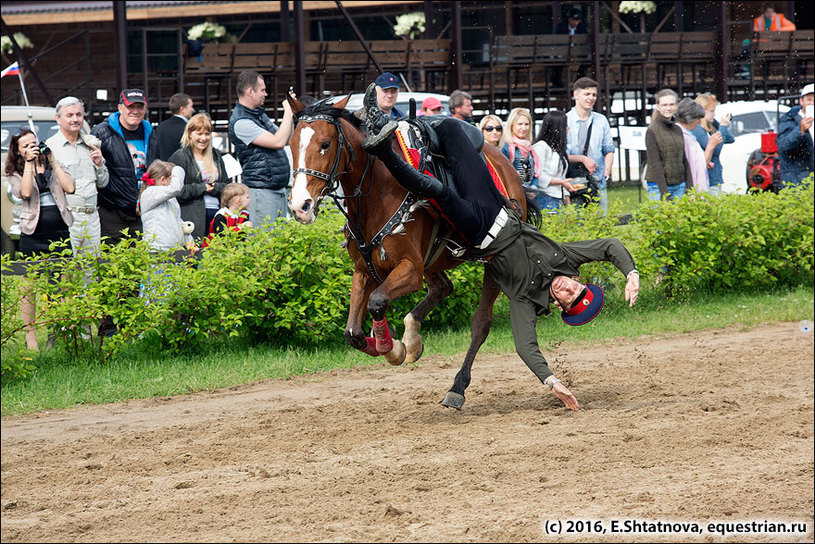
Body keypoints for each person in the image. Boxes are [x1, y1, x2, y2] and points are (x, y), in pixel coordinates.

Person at [360, 84, 640, 410]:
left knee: (440, 193)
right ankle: (387, 122)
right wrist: (630, 273)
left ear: (561, 305)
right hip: (495, 207)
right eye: (577, 288)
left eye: (569, 298)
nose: (568, 289)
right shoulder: (565, 259)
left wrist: (553, 382)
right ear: (579, 280)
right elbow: (610, 245)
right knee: (451, 128)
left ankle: (382, 153)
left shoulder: (525, 301)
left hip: (477, 232)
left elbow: (526, 346)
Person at [5, 129, 75, 350]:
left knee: (61, 284)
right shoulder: (13, 172)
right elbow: (25, 193)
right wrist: (29, 164)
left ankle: (58, 331)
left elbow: (70, 188)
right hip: (32, 235)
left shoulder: (54, 165)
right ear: (17, 152)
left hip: (60, 234)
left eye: (33, 143)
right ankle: (31, 337)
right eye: (25, 146)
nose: (31, 148)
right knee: (29, 288)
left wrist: (52, 161)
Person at [227, 70, 294, 229]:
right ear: (250, 91)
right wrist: (288, 111)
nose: (266, 93)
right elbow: (278, 141)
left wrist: (291, 115)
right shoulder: (241, 122)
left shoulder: (257, 115)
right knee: (266, 244)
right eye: (262, 90)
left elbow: (286, 138)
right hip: (262, 192)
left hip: (275, 189)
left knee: (279, 244)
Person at [91, 88, 158, 242]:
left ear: (145, 108)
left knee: (143, 261)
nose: (135, 111)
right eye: (130, 107)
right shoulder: (101, 132)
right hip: (112, 212)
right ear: (120, 108)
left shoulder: (150, 131)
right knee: (112, 262)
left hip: (143, 210)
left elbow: (156, 165)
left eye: (139, 107)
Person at [45, 96, 109, 254]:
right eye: (69, 115)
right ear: (58, 119)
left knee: (92, 268)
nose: (75, 119)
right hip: (67, 216)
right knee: (68, 267)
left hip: (92, 215)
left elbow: (103, 183)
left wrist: (100, 164)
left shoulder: (91, 143)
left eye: (79, 115)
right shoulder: (50, 146)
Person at [168, 113, 230, 239]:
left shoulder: (216, 154)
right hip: (192, 216)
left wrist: (215, 188)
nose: (203, 138)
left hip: (218, 213)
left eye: (207, 134)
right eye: (199, 133)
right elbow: (175, 191)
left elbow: (227, 186)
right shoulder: (180, 156)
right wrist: (202, 188)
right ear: (189, 134)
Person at [565, 77, 615, 211]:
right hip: (573, 181)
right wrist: (582, 159)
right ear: (576, 95)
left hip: (598, 181)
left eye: (594, 95)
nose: (591, 98)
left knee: (601, 224)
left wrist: (606, 173)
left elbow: (609, 149)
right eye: (587, 94)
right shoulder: (566, 120)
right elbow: (561, 154)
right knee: (576, 223)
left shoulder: (601, 120)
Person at [644, 88, 689, 201]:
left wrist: (689, 188)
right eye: (664, 105)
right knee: (661, 218)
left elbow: (684, 160)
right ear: (658, 106)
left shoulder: (678, 129)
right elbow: (656, 164)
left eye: (671, 104)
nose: (668, 108)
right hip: (658, 186)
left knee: (679, 218)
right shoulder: (652, 130)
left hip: (679, 185)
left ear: (676, 106)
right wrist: (665, 195)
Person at [136, 160, 188, 251]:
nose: (174, 182)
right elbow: (176, 188)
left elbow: (178, 221)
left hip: (174, 250)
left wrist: (189, 241)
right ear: (163, 180)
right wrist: (178, 169)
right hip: (157, 249)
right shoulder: (150, 193)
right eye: (172, 179)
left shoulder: (171, 199)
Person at [530, 111, 575, 211]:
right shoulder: (541, 147)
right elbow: (538, 176)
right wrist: (561, 182)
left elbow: (561, 177)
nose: (568, 128)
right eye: (565, 125)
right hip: (544, 198)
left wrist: (567, 201)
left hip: (558, 199)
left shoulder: (557, 150)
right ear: (557, 128)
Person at [692, 94, 734, 196]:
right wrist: (723, 126)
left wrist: (716, 123)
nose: (714, 114)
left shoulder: (709, 127)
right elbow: (715, 150)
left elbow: (730, 138)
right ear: (702, 111)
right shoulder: (697, 129)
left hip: (714, 176)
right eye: (711, 111)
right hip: (707, 178)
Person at [776, 83, 814, 187]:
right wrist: (800, 131)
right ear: (802, 101)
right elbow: (783, 146)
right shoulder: (789, 119)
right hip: (796, 183)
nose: (812, 103)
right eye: (809, 100)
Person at [675, 98, 717, 192]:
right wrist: (711, 146)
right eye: (697, 118)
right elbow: (695, 166)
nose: (699, 122)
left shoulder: (687, 134)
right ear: (689, 118)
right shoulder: (683, 137)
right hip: (690, 189)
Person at [201, 182, 252, 248]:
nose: (249, 200)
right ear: (238, 201)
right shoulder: (221, 215)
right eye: (247, 197)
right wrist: (240, 227)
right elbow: (222, 236)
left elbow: (242, 237)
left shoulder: (244, 214)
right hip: (213, 248)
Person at [502, 108, 541, 190]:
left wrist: (533, 188)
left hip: (530, 193)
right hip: (514, 194)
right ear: (512, 125)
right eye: (520, 124)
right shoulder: (506, 147)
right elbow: (503, 174)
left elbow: (534, 175)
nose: (524, 128)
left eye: (526, 124)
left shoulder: (530, 149)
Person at [155, 93, 194, 161]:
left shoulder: (161, 127)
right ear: (182, 109)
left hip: (163, 169)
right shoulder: (189, 129)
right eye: (191, 106)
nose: (193, 110)